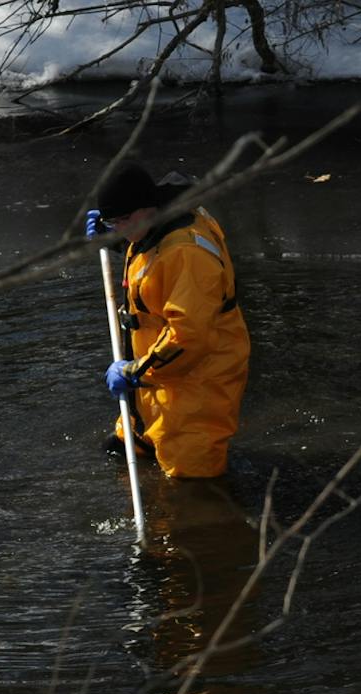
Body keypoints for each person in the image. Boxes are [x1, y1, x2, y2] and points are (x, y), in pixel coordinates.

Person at [86, 164, 252, 480]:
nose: (120, 227)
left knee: (192, 486)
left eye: (124, 220)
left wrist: (135, 371)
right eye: (112, 221)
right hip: (158, 384)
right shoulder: (152, 226)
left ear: (148, 206)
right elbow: (155, 272)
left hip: (198, 386)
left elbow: (189, 338)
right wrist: (116, 240)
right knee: (118, 453)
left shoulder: (188, 253)